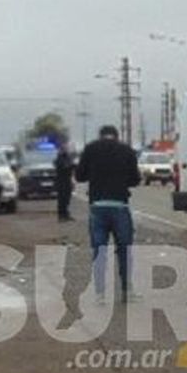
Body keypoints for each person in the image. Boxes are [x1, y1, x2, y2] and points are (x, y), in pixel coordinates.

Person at [74, 124, 140, 302]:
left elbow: (79, 176)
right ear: (116, 136)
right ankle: (127, 290)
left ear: (101, 135)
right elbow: (135, 180)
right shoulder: (127, 151)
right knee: (124, 249)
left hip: (98, 206)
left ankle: (100, 293)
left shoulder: (90, 149)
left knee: (99, 249)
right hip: (120, 206)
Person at [53, 136, 75, 222]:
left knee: (67, 198)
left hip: (67, 180)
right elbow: (64, 166)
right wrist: (72, 166)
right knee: (62, 199)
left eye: (66, 147)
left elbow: (70, 165)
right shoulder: (59, 158)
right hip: (61, 181)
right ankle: (61, 216)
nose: (66, 148)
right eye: (65, 147)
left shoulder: (67, 157)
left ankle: (66, 214)